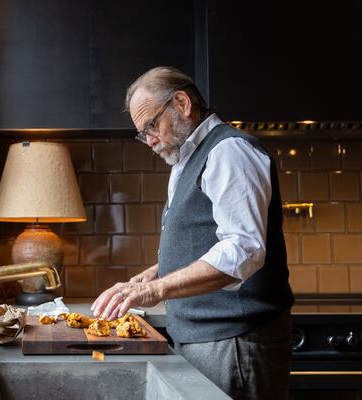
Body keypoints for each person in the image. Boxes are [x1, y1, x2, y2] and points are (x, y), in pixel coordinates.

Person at [91, 66, 294, 400]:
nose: (149, 140)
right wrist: (152, 275)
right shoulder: (186, 161)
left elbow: (243, 249)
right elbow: (205, 242)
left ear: (182, 103)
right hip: (206, 338)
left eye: (152, 126)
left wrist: (158, 288)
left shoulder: (229, 151)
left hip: (233, 342)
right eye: (142, 134)